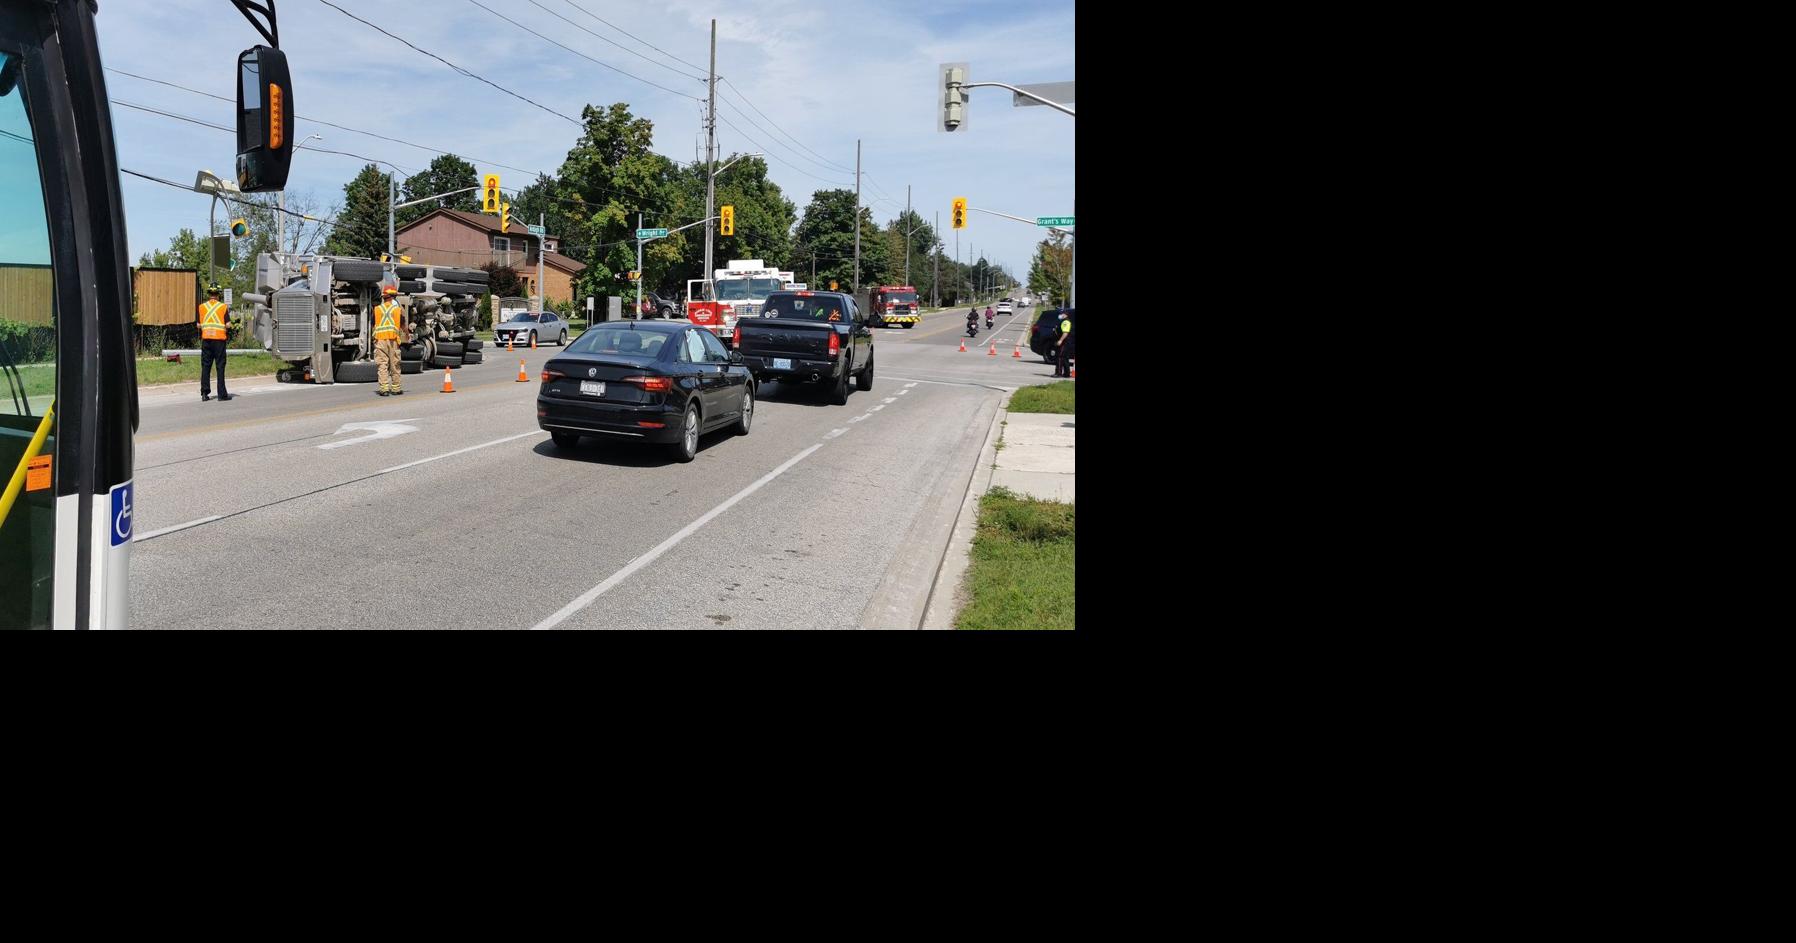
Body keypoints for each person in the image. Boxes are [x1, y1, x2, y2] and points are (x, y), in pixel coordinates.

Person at [197, 283, 233, 401]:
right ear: (218, 294)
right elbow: (228, 324)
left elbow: (198, 325)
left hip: (206, 340)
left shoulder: (202, 307)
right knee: (220, 366)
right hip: (219, 341)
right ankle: (222, 395)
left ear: (209, 294)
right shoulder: (223, 307)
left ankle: (204, 393)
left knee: (206, 366)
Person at [372, 284, 406, 396]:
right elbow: (403, 325)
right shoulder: (397, 310)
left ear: (384, 297)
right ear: (393, 297)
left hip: (380, 340)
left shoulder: (377, 309)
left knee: (382, 365)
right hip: (393, 341)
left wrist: (374, 337)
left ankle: (384, 389)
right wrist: (407, 335)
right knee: (395, 364)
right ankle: (396, 389)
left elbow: (373, 325)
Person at [1053, 309, 1074, 377]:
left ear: (1065, 315)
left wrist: (1060, 340)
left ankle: (1058, 373)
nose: (1060, 315)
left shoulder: (1066, 322)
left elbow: (1065, 332)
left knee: (1059, 357)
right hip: (1065, 342)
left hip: (1064, 342)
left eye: (1061, 314)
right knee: (1064, 357)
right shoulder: (1062, 321)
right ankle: (1067, 374)